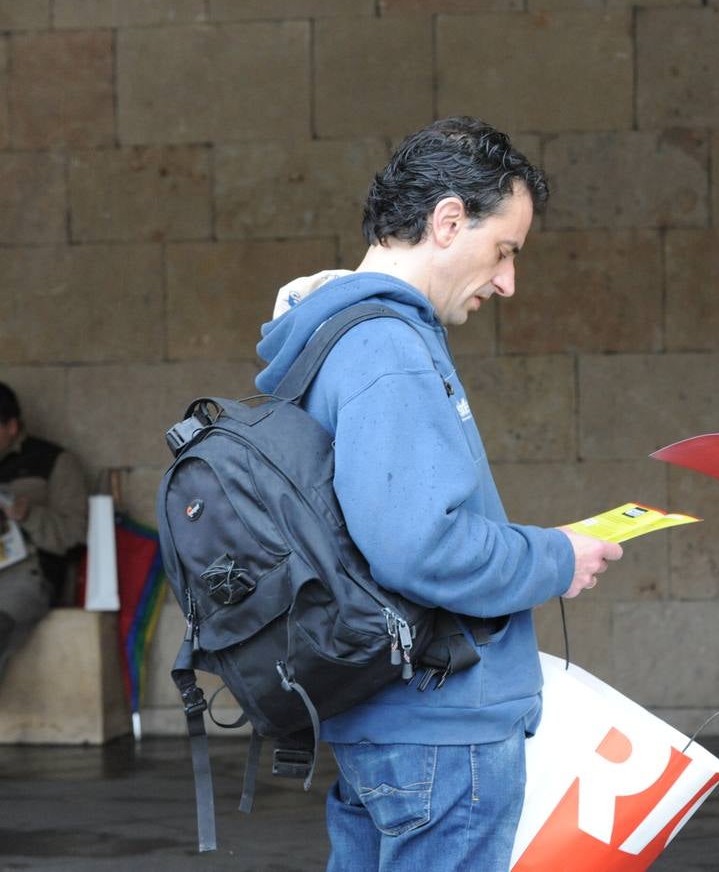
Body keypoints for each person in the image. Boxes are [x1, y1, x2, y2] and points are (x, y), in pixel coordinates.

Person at [254, 117, 623, 871]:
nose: (508, 281)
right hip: (440, 726)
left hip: (387, 717)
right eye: (504, 251)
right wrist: (556, 557)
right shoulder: (386, 347)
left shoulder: (334, 334)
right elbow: (420, 544)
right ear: (448, 220)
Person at [0, 382, 88, 682]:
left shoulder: (53, 461)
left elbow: (76, 534)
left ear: (11, 426)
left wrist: (28, 515)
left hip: (26, 577)